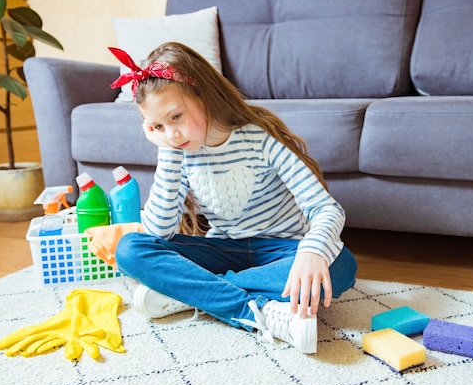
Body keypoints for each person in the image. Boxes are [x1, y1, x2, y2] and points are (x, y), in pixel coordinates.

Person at [111, 42, 357, 354]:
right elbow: (159, 232)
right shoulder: (179, 149)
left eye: (176, 116)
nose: (171, 133)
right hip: (225, 247)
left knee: (341, 265)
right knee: (130, 249)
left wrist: (311, 252)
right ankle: (254, 311)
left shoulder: (259, 139)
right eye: (158, 126)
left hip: (280, 251)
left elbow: (326, 209)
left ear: (203, 95)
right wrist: (168, 152)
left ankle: (191, 291)